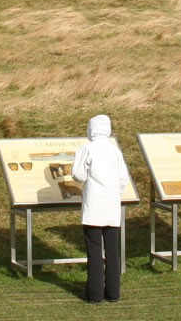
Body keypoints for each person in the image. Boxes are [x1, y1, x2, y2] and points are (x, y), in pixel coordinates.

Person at [71, 114, 131, 304]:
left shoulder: (86, 149)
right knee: (112, 251)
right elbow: (123, 179)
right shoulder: (115, 152)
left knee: (94, 251)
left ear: (91, 129)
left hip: (93, 206)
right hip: (112, 206)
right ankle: (113, 293)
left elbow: (78, 175)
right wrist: (113, 192)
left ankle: (95, 294)